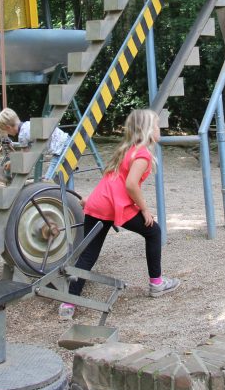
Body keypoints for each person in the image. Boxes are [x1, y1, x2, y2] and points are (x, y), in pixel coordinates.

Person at [58, 109, 179, 319]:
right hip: (115, 206)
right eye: (156, 125)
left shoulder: (126, 149)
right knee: (154, 232)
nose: (159, 129)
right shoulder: (142, 154)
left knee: (88, 254)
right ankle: (157, 284)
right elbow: (131, 185)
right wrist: (144, 209)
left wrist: (91, 200)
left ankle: (68, 302)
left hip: (100, 203)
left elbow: (111, 180)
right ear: (147, 130)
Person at [0, 108, 69, 158]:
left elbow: (25, 156)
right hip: (66, 139)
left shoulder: (22, 136)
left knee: (52, 176)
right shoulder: (28, 124)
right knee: (67, 172)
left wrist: (12, 163)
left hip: (60, 148)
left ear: (8, 127)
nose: (8, 134)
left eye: (6, 132)